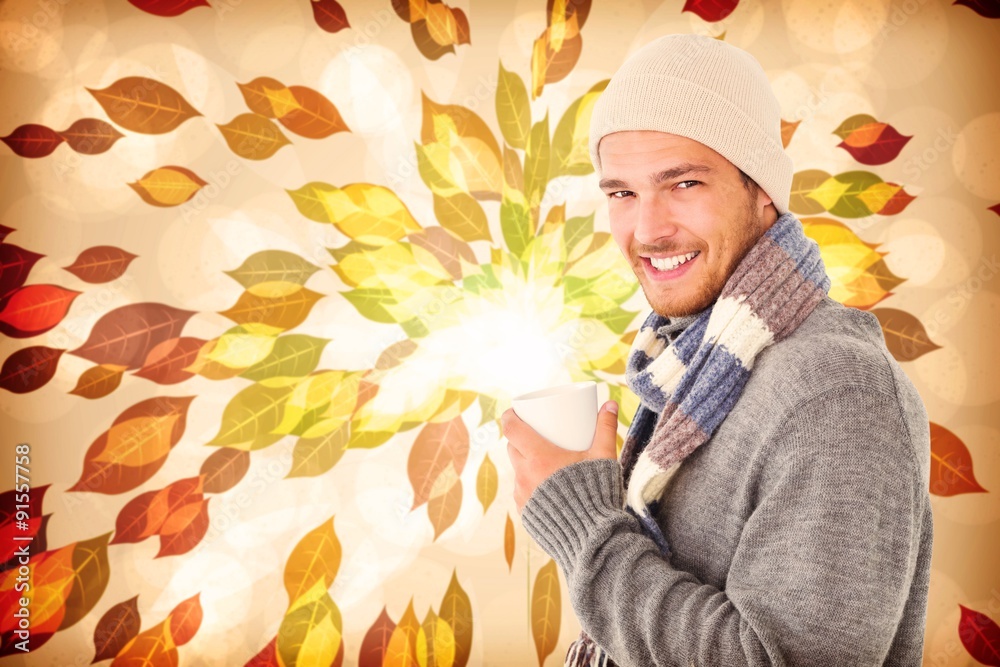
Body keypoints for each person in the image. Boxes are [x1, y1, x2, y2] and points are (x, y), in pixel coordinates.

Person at [503, 33, 933, 667]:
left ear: (761, 190)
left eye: (682, 183)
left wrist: (588, 532)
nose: (647, 229)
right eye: (621, 192)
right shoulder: (688, 365)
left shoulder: (837, 394)